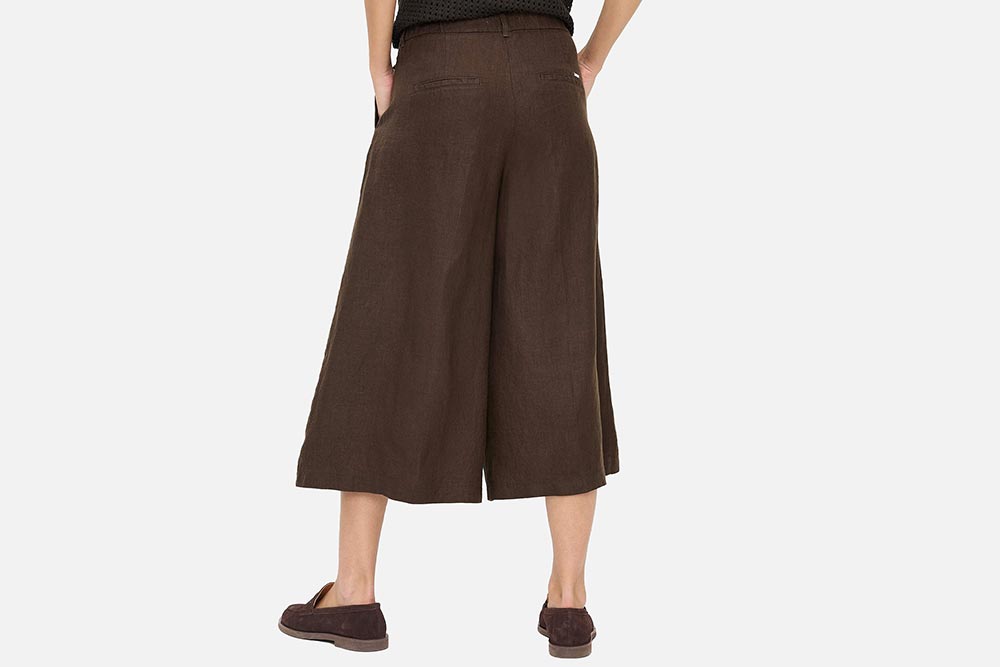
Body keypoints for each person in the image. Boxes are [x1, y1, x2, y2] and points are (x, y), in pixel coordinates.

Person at [279, 0, 641, 658]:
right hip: (549, 74)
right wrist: (588, 60)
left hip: (439, 66)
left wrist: (378, 63)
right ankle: (569, 601)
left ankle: (354, 593)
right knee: (558, 324)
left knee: (387, 319)